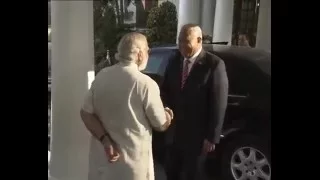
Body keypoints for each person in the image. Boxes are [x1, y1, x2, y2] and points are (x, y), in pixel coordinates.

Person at [80, 32, 174, 180]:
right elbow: (160, 124)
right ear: (140, 54)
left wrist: (105, 139)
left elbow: (85, 113)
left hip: (103, 162)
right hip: (132, 167)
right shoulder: (145, 84)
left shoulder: (102, 76)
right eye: (148, 50)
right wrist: (168, 115)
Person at [161, 24, 229, 180]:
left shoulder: (214, 65)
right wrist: (164, 108)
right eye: (179, 41)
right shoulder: (174, 61)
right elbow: (164, 90)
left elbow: (219, 103)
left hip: (197, 137)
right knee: (171, 172)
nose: (181, 45)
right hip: (174, 133)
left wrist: (212, 137)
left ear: (199, 40)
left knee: (194, 174)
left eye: (186, 41)